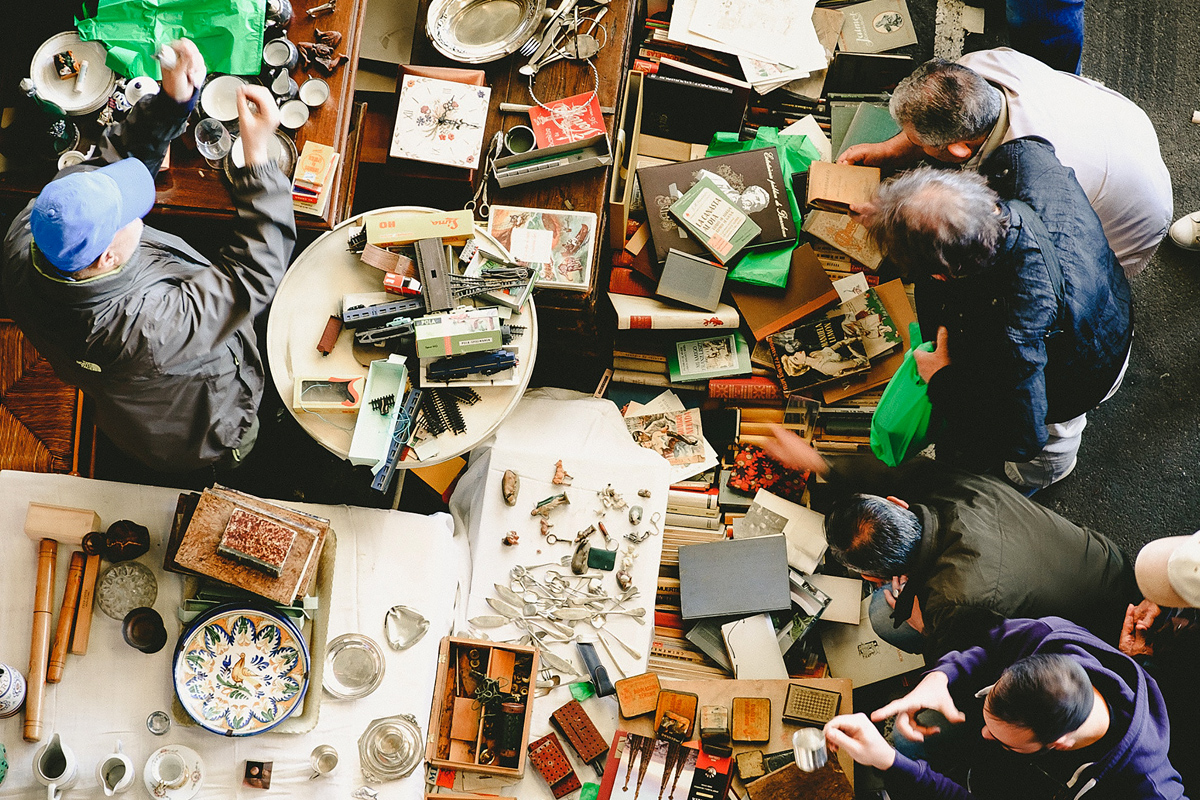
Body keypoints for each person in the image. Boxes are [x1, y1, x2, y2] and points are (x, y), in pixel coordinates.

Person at [2, 40, 296, 472]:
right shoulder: (149, 326)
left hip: (127, 397)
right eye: (127, 216)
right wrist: (257, 160)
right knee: (242, 443)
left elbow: (111, 162)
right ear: (104, 259)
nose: (141, 211)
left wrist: (172, 101)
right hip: (203, 427)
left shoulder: (34, 227)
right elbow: (251, 275)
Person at [857, 155, 1132, 492]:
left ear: (945, 273)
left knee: (1053, 439)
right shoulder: (1026, 162)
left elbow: (1024, 437)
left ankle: (1041, 477)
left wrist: (941, 378)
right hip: (1104, 294)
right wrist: (889, 214)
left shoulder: (1014, 336)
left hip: (1086, 363)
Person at [761, 430, 1139, 657]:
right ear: (896, 505)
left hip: (1107, 639)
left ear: (875, 575)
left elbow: (962, 667)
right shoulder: (957, 490)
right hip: (1117, 571)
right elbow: (898, 475)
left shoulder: (953, 605)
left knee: (882, 617)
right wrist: (819, 462)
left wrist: (921, 623)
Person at [840, 50, 1172, 278]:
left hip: (1122, 235)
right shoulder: (977, 67)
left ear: (959, 150)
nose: (908, 144)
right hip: (1124, 130)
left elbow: (995, 253)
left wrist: (893, 224)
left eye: (916, 142)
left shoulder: (1022, 186)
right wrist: (888, 151)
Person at [824, 616, 1187, 800]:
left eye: (1003, 739)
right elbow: (990, 646)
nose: (983, 733)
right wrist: (941, 676)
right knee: (910, 740)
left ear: (1059, 744)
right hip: (1008, 773)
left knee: (905, 750)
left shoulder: (1146, 786)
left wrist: (892, 763)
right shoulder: (1048, 635)